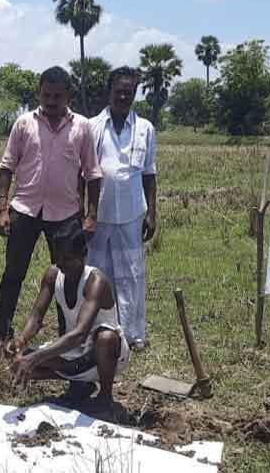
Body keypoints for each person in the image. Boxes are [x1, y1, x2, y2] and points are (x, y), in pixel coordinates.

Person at [0, 66, 103, 344]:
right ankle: (3, 333)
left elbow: (93, 174)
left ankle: (66, 336)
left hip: (66, 215)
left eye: (57, 96)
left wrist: (91, 216)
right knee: (13, 274)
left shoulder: (82, 126)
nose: (51, 101)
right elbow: (7, 166)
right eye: (46, 95)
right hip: (25, 210)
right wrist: (2, 208)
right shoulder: (23, 123)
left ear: (68, 96)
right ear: (39, 93)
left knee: (67, 277)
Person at [8, 219, 129, 418]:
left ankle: (105, 398)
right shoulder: (53, 274)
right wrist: (21, 341)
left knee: (105, 338)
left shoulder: (95, 282)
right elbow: (37, 316)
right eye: (59, 259)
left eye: (68, 259)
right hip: (76, 353)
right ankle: (80, 385)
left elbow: (80, 334)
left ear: (83, 254)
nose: (62, 265)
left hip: (107, 354)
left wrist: (37, 357)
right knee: (20, 360)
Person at [88, 66, 157, 350]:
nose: (124, 97)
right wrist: (86, 213)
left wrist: (152, 212)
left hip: (132, 214)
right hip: (99, 215)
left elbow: (149, 173)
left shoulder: (145, 129)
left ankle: (132, 333)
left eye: (129, 92)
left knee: (132, 275)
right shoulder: (92, 126)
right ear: (109, 92)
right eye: (119, 91)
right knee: (98, 274)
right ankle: (98, 330)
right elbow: (85, 172)